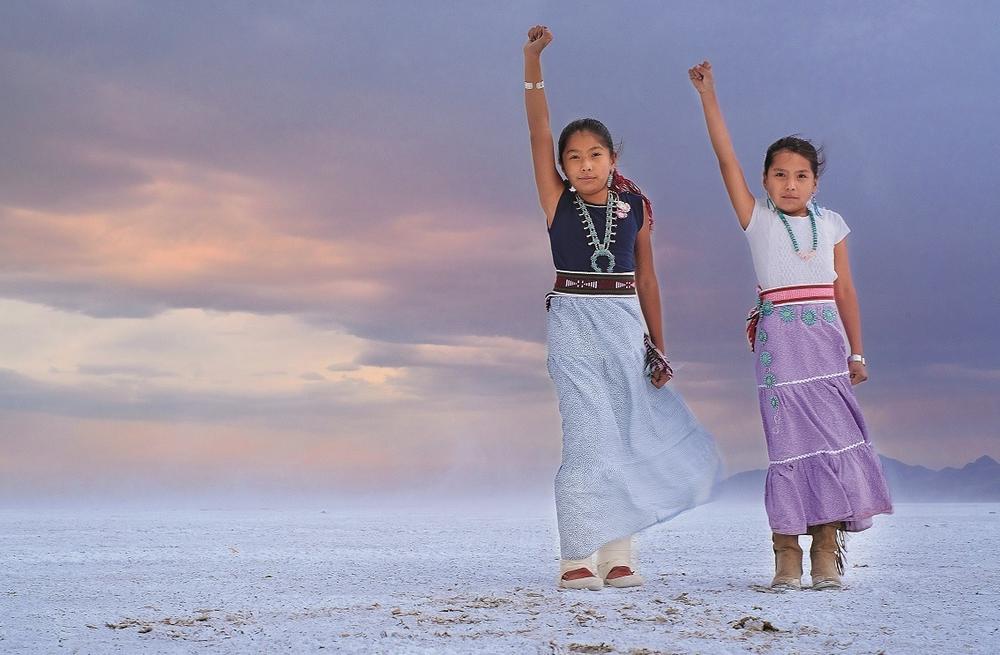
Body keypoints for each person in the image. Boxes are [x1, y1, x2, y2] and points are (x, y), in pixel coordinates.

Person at [524, 25, 722, 591]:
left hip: (626, 322)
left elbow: (649, 278)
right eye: (574, 157)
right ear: (562, 164)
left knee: (626, 434)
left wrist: (658, 347)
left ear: (613, 158)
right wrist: (532, 62)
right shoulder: (556, 200)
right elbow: (537, 129)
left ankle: (618, 555)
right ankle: (576, 557)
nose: (584, 164)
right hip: (573, 320)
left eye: (595, 155)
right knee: (587, 434)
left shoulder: (635, 205)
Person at [689, 60, 893, 590]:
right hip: (780, 345)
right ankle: (786, 551)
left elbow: (845, 290)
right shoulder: (756, 218)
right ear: (764, 180)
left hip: (827, 345)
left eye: (801, 175)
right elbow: (724, 157)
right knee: (787, 445)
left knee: (831, 443)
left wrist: (858, 353)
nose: (790, 183)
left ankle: (827, 546)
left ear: (815, 181)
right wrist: (709, 94)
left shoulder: (831, 224)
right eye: (779, 174)